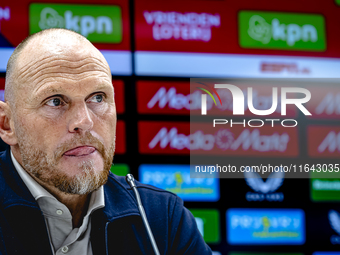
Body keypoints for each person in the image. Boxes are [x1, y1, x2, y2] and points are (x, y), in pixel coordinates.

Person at [0, 28, 212, 255]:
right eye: (55, 101)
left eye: (98, 97)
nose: (84, 121)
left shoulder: (162, 219)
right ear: (7, 125)